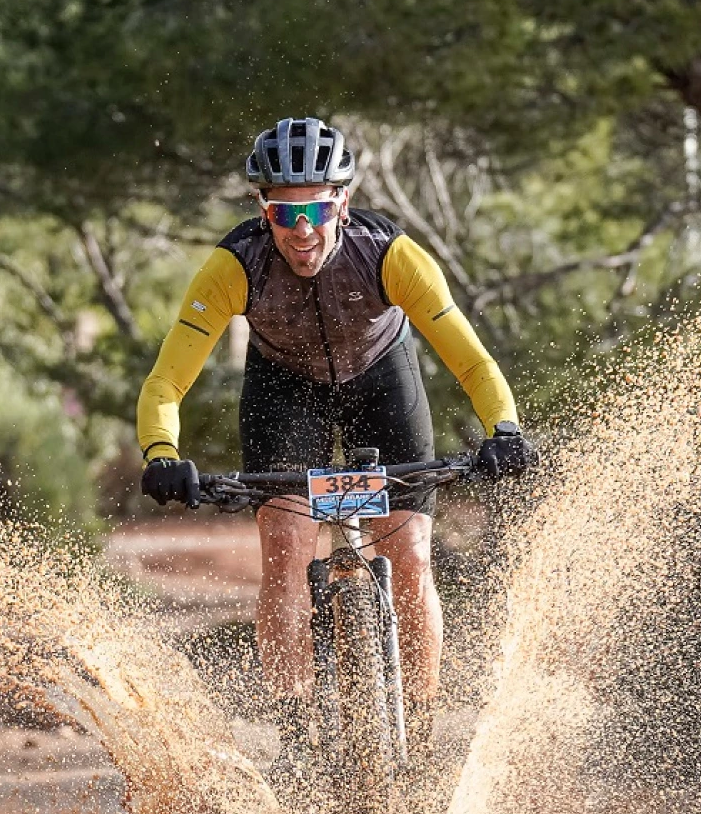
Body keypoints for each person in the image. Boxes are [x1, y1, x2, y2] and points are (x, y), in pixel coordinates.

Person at [135, 116, 534, 767]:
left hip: (382, 378)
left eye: (317, 209)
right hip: (284, 387)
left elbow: (472, 361)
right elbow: (166, 382)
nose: (302, 230)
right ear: (263, 210)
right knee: (286, 551)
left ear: (342, 203)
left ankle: (419, 733)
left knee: (410, 554)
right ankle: (295, 737)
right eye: (284, 212)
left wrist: (504, 429)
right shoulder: (234, 266)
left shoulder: (389, 255)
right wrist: (162, 453)